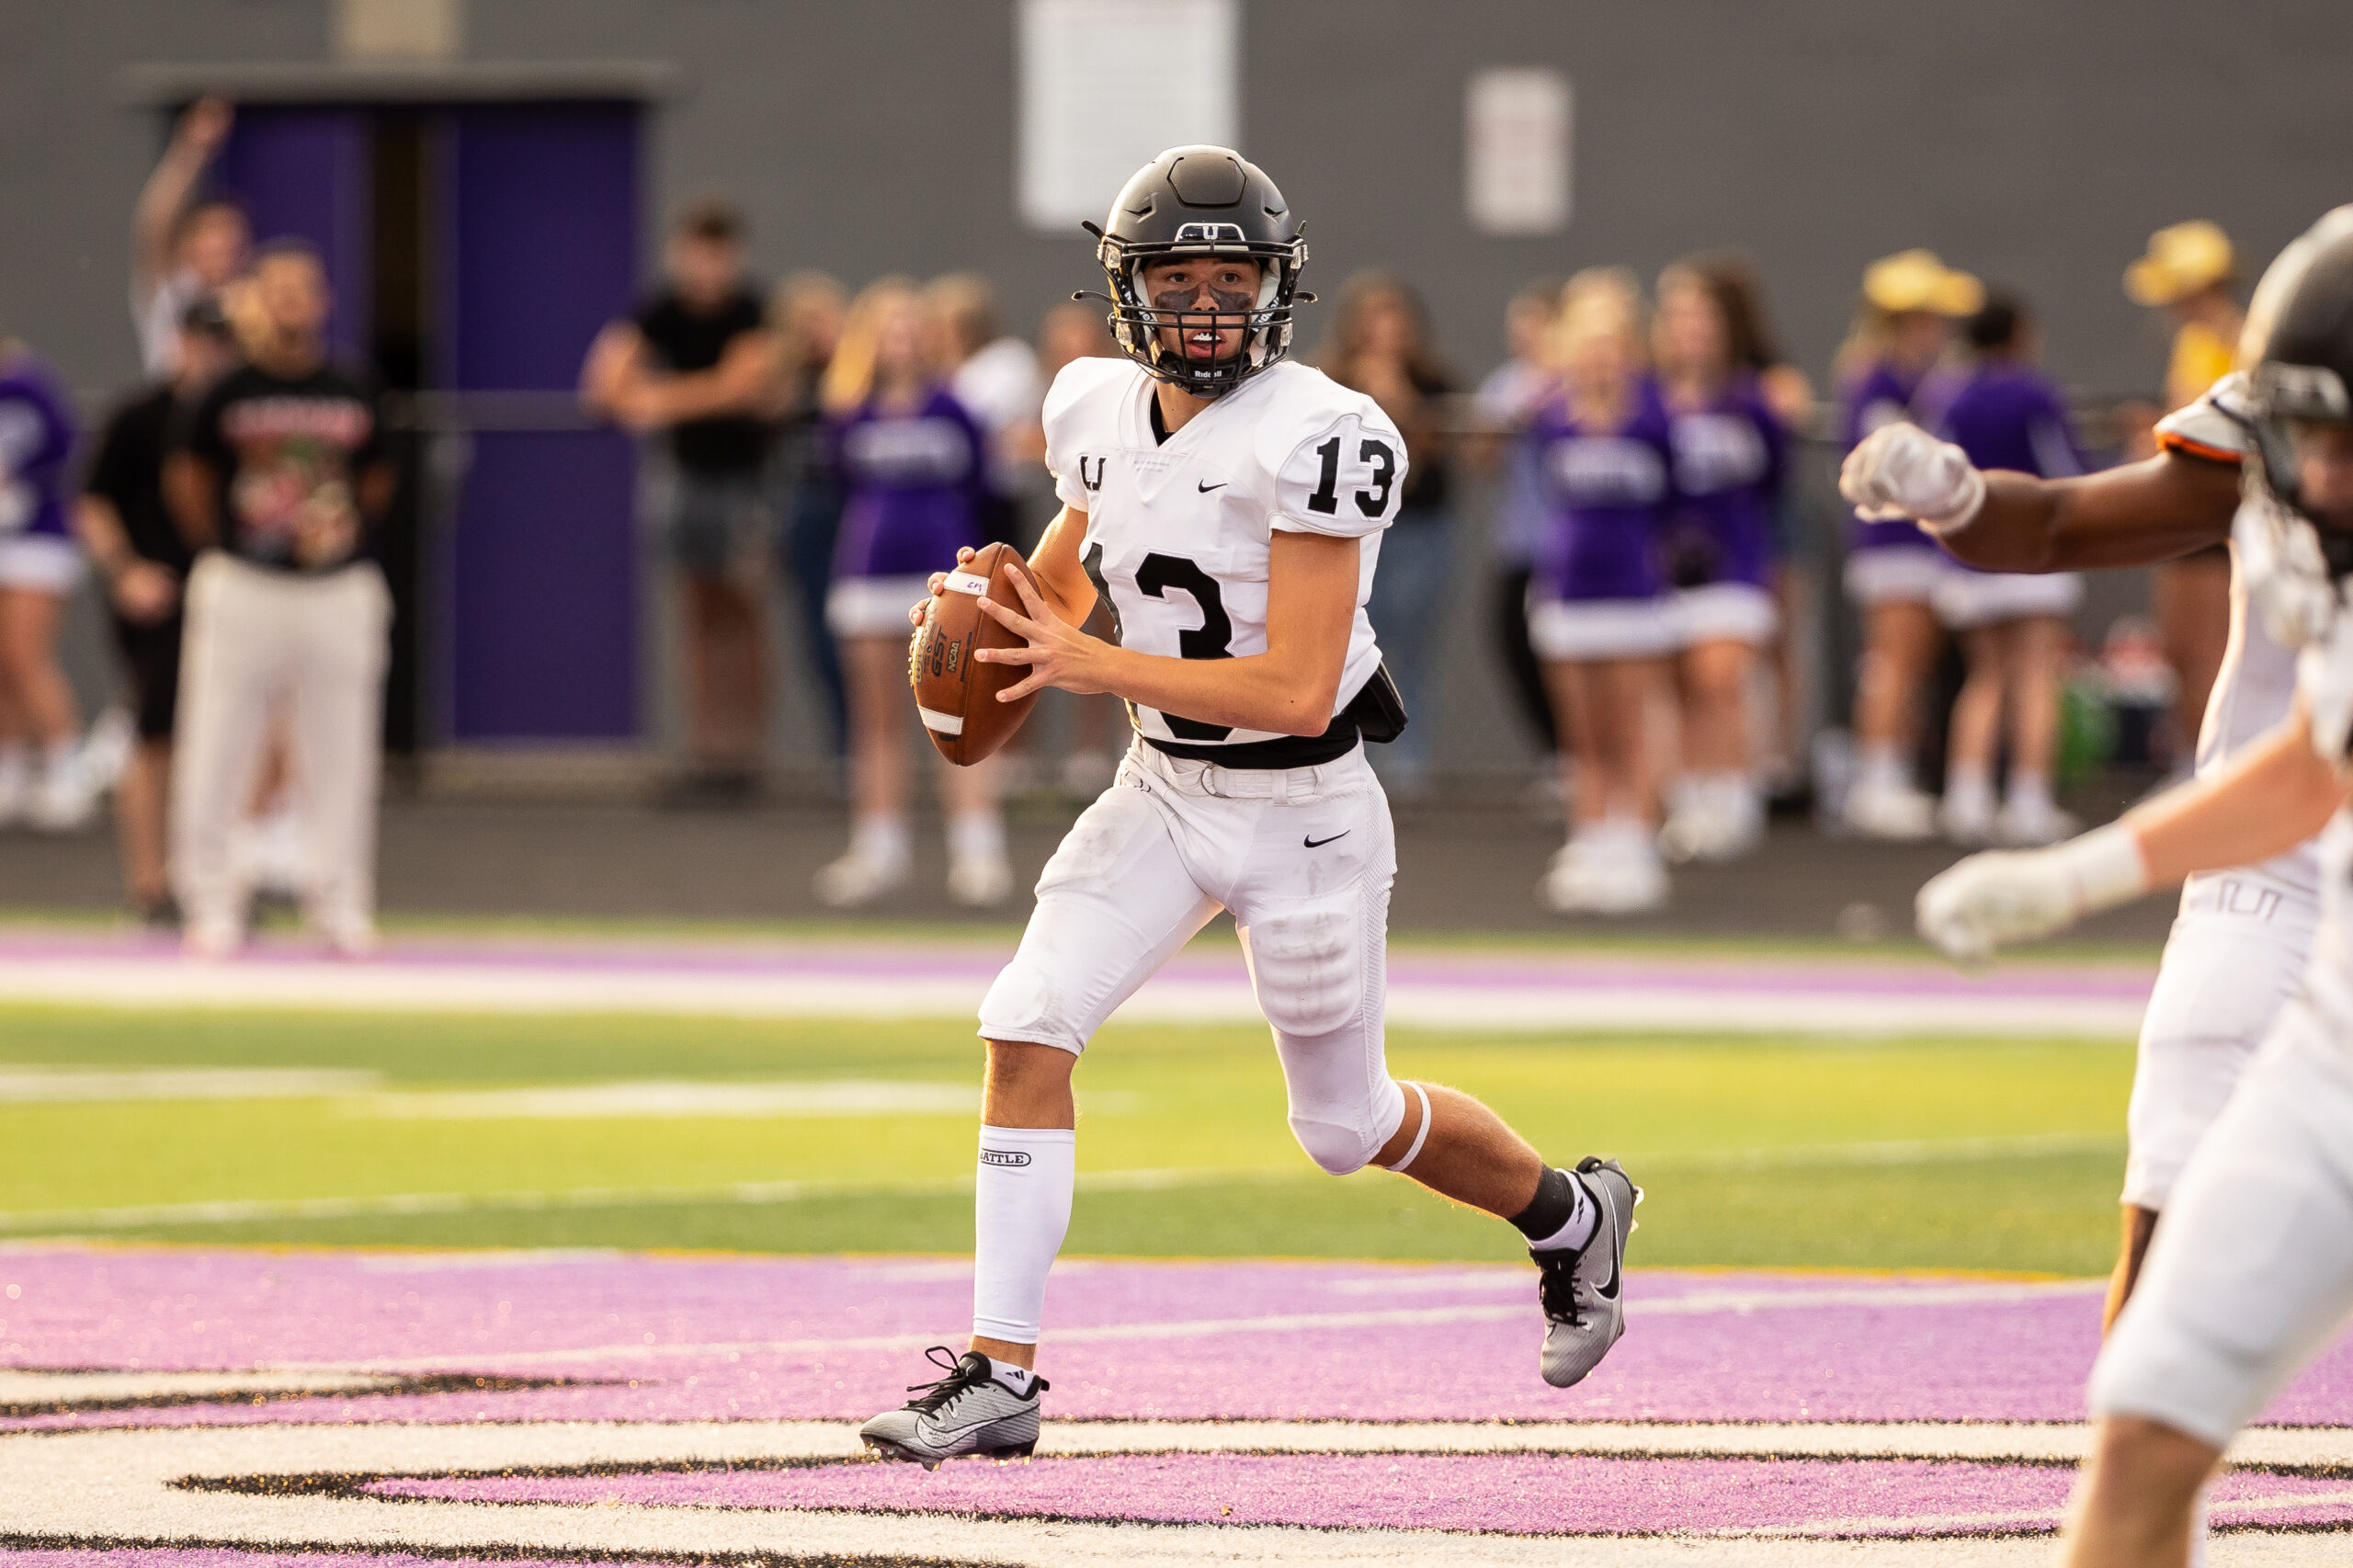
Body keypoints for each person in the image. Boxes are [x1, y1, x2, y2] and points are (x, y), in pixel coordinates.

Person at [857, 146, 1637, 1470]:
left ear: (1278, 289)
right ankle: (999, 1371)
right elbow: (1069, 580)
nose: (1209, 307)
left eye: (1234, 279)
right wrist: (1000, 616)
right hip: (1163, 784)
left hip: (1307, 807)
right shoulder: (1095, 406)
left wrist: (1090, 662)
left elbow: (1286, 684)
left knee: (1345, 1127)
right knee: (1025, 1022)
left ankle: (1570, 1213)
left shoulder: (1323, 431)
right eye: (1182, 279)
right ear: (1131, 291)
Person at [1907, 226, 2353, 1568]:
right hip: (2325, 989)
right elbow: (2314, 764)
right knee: (2149, 1409)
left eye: (2346, 437)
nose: (2317, 474)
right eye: (2309, 435)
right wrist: (2070, 878)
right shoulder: (2291, 466)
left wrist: (2072, 875)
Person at [163, 241, 396, 959]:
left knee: (341, 745)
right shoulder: (228, 393)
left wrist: (334, 537)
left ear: (325, 300)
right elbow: (189, 476)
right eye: (278, 289)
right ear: (256, 301)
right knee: (218, 738)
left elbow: (379, 477)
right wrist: (229, 544)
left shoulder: (352, 387)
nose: (293, 302)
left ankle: (340, 900)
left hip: (336, 584)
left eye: (305, 288)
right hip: (244, 581)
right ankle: (209, 898)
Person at [813, 279, 1007, 908]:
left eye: (910, 326)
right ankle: (878, 850)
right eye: (887, 327)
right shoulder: (850, 413)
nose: (900, 338)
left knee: (962, 714)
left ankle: (979, 853)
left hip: (944, 583)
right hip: (867, 576)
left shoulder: (955, 409)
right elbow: (841, 484)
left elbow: (982, 485)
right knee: (876, 724)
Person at [580, 199, 781, 797]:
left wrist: (660, 399)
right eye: (697, 252)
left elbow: (746, 385)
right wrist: (700, 392)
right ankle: (708, 754)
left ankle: (749, 753)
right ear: (680, 254)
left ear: (734, 257)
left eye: (718, 254)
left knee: (743, 609)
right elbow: (604, 387)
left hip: (743, 481)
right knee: (696, 612)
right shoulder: (658, 311)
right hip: (684, 479)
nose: (708, 266)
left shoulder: (753, 309)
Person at [75, 298, 242, 924]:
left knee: (231, 739)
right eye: (201, 340)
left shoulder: (236, 415)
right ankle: (151, 885)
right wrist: (125, 571)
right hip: (160, 592)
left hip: (231, 591)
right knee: (155, 731)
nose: (211, 355)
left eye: (222, 342)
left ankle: (217, 878)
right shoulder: (140, 416)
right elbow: (93, 501)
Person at [1526, 270, 1677, 913]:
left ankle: (1637, 843)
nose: (1598, 356)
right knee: (1582, 734)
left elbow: (1676, 502)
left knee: (1631, 728)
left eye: (1610, 344)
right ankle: (1589, 839)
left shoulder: (1654, 415)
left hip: (1634, 594)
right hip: (1567, 591)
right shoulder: (1553, 417)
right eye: (1586, 344)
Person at [1925, 292, 2086, 846]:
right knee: (2036, 675)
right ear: (2018, 336)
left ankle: (1967, 797)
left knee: (1985, 676)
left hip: (1970, 556)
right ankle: (2029, 800)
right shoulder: (2034, 392)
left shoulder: (1950, 394)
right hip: (2034, 551)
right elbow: (2066, 468)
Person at [1836, 249, 1982, 839]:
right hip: (1891, 543)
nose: (1936, 329)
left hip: (1922, 543)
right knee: (1893, 661)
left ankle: (1889, 772)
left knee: (1910, 663)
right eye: (1924, 317)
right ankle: (1877, 778)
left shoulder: (1930, 380)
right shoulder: (1876, 380)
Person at [1651, 260, 1788, 861]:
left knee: (1720, 676)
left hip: (1735, 561)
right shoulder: (1647, 402)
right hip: (1662, 568)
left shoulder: (1752, 402)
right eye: (1681, 320)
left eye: (1704, 321)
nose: (1693, 333)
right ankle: (1691, 795)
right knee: (1680, 684)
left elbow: (1774, 483)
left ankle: (1733, 792)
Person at [1319, 272, 1460, 796]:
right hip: (1349, 534)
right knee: (1343, 645)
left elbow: (1427, 459)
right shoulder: (1328, 382)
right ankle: (1347, 760)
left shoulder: (1434, 380)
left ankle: (1409, 768)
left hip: (1420, 530)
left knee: (1412, 648)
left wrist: (1394, 389)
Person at [2131, 222, 2245, 784]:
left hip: (2221, 517)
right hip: (2183, 510)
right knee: (2178, 649)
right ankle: (2192, 763)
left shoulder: (2244, 343)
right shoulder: (2196, 343)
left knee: (2212, 652)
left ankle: (2214, 772)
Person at [1015, 300, 1125, 799]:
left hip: (1120, 542)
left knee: (1114, 643)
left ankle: (1110, 746)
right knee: (1033, 637)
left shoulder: (1127, 400)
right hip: (1055, 534)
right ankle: (1046, 757)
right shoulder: (1050, 403)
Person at [1472, 278, 1565, 767]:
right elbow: (1482, 458)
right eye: (1519, 325)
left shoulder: (1580, 380)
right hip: (1517, 542)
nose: (1525, 334)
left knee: (1568, 654)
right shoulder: (1504, 384)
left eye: (1536, 324)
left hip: (1567, 545)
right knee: (1513, 644)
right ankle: (1558, 753)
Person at [0, 337, 90, 832]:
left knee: (23, 653)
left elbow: (67, 453)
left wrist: (18, 484)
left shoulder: (31, 385)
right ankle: (9, 765)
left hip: (37, 538)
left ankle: (63, 764)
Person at [769, 270, 851, 764]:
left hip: (850, 506)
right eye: (807, 322)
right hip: (804, 510)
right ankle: (842, 750)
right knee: (818, 637)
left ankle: (867, 750)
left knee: (859, 632)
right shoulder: (781, 383)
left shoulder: (857, 378)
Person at [131, 98, 249, 379]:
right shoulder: (173, 292)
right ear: (187, 246)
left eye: (230, 243)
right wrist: (191, 149)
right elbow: (155, 221)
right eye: (212, 242)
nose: (222, 252)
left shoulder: (249, 301)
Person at [928, 274, 1045, 550]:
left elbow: (978, 423)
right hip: (947, 501)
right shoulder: (933, 373)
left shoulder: (1007, 361)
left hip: (998, 497)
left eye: (952, 324)